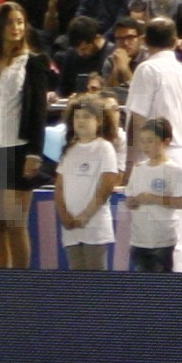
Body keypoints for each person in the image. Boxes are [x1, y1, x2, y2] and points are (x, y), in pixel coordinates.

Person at [0, 2, 44, 272]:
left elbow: (37, 109)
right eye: (10, 22)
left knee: (15, 222)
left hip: (19, 148)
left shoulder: (34, 62)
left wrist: (34, 153)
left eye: (20, 22)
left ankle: (21, 284)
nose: (15, 28)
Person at [55, 96, 124, 269]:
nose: (80, 121)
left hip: (95, 225)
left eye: (86, 117)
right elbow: (59, 186)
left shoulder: (104, 148)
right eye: (77, 116)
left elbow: (106, 185)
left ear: (98, 121)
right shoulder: (70, 150)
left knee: (95, 277)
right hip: (71, 228)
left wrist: (86, 215)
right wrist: (64, 215)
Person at [118, 117, 182, 271]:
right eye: (142, 141)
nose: (145, 146)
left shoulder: (177, 171)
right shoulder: (138, 169)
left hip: (162, 239)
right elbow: (129, 197)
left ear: (166, 141)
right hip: (139, 239)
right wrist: (132, 202)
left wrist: (154, 199)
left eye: (150, 141)